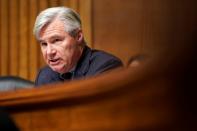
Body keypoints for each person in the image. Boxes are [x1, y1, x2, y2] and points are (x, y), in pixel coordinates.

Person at [33, 7, 123, 86]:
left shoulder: (106, 67)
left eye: (56, 40)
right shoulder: (44, 75)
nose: (49, 52)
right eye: (44, 44)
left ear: (78, 36)